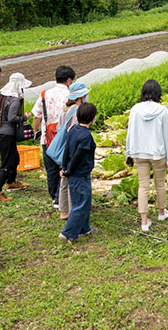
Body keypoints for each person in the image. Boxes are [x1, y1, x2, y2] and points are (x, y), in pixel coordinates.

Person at [125, 79, 168, 232]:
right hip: (158, 153)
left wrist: (128, 153)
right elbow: (167, 135)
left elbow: (130, 133)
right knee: (160, 183)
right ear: (158, 93)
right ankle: (161, 212)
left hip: (139, 152)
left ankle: (144, 221)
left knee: (143, 186)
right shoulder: (162, 110)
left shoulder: (135, 109)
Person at [32, 65, 75, 208]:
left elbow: (36, 116)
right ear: (69, 80)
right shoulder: (71, 95)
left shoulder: (45, 94)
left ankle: (55, 198)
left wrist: (37, 132)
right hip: (65, 138)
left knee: (51, 169)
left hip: (48, 137)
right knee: (64, 168)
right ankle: (63, 198)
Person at [0, 73, 32, 203]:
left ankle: (11, 182)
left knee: (14, 158)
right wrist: (25, 117)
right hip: (6, 135)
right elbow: (12, 118)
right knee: (7, 163)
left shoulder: (3, 96)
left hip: (0, 134)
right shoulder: (14, 100)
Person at [59, 102, 98, 242]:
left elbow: (67, 150)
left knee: (82, 202)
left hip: (73, 172)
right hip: (79, 174)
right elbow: (78, 157)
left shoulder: (73, 129)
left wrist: (64, 167)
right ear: (92, 118)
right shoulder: (86, 136)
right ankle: (67, 233)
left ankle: (84, 228)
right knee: (81, 204)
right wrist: (69, 171)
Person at [56, 82, 90, 220]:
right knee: (72, 179)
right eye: (85, 95)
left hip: (65, 147)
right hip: (73, 149)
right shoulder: (77, 111)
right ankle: (73, 211)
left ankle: (63, 210)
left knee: (64, 179)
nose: (87, 97)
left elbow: (59, 128)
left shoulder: (65, 109)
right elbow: (76, 132)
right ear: (80, 97)